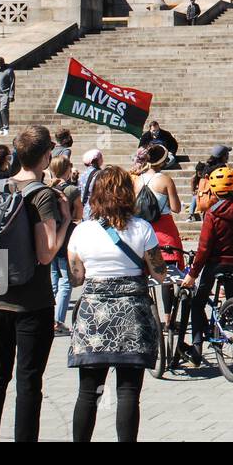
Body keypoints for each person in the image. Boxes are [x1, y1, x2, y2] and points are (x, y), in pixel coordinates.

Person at [0, 125, 72, 443]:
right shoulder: (42, 196)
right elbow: (45, 255)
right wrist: (66, 222)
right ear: (47, 156)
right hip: (32, 304)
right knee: (29, 382)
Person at [65, 165, 165, 442]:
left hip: (94, 317)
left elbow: (76, 278)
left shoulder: (82, 231)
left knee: (88, 392)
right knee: (128, 392)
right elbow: (159, 272)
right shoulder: (142, 228)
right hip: (132, 315)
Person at [176, 167, 233, 365]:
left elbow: (204, 248)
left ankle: (196, 347)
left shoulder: (212, 214)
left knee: (197, 302)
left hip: (215, 264)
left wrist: (193, 273)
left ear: (213, 189)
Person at [46, 156, 83, 334]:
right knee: (66, 282)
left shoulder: (48, 188)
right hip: (66, 235)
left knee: (53, 280)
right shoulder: (71, 190)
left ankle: (48, 318)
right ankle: (58, 321)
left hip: (49, 235)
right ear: (67, 169)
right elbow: (78, 214)